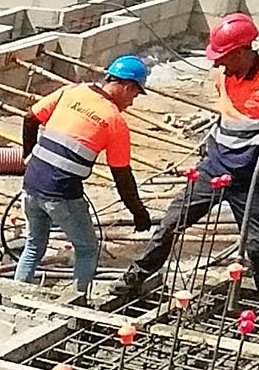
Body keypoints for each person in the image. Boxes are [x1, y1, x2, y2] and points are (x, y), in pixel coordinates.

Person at [107, 12, 259, 312]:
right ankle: (136, 276)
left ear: (241, 52)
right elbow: (230, 111)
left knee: (258, 242)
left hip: (250, 172)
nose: (217, 64)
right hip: (214, 165)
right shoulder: (224, 74)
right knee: (172, 222)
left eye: (222, 58)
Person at [15, 55, 154, 302]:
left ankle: (15, 294)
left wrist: (28, 156)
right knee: (88, 249)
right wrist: (139, 213)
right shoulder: (114, 121)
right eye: (134, 94)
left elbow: (30, 118)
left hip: (31, 184)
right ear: (127, 86)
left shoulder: (72, 91)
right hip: (61, 194)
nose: (132, 102)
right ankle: (76, 302)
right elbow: (122, 177)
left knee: (34, 245)